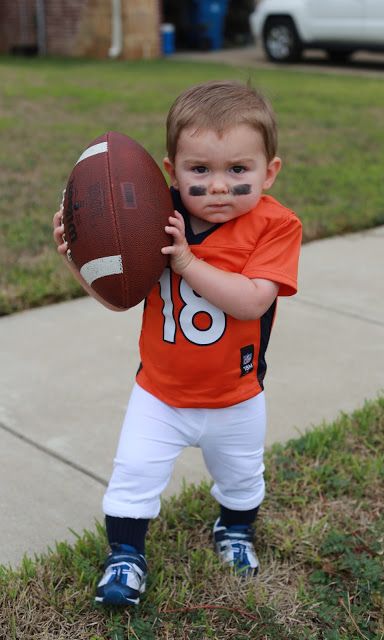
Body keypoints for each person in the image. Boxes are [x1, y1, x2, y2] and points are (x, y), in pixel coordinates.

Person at [53, 80, 302, 606]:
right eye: (199, 170)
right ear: (170, 170)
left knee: (241, 477)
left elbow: (253, 301)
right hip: (160, 394)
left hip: (236, 396)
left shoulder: (275, 225)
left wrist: (188, 262)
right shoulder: (148, 219)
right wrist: (85, 262)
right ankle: (125, 556)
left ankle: (234, 531)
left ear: (269, 170)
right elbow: (119, 300)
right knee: (133, 475)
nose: (217, 186)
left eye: (238, 170)